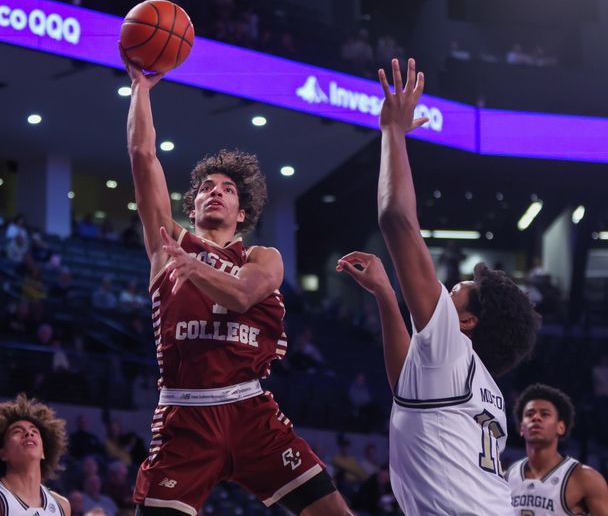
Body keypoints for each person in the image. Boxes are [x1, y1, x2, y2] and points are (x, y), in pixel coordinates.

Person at [122, 45, 352, 516]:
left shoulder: (262, 256)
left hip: (250, 411)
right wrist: (140, 90)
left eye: (227, 189)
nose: (215, 192)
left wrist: (197, 270)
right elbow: (143, 155)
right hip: (185, 414)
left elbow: (246, 292)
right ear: (194, 204)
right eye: (207, 187)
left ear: (241, 211)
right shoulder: (168, 245)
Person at [337, 59, 539, 515]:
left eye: (455, 293)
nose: (443, 293)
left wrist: (392, 131)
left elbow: (397, 220)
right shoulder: (482, 390)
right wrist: (387, 296)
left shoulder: (453, 350)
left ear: (466, 321)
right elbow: (404, 384)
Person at [0, 394, 71, 516]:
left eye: (34, 431)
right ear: (2, 453)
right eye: (17, 431)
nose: (28, 433)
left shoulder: (62, 506)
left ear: (43, 452)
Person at [506, 383, 608, 515]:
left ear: (560, 427)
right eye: (530, 414)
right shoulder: (507, 477)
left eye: (545, 414)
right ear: (521, 428)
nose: (536, 418)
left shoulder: (585, 478)